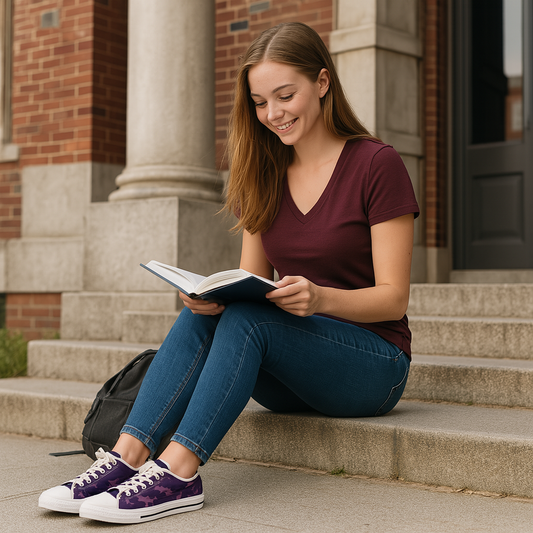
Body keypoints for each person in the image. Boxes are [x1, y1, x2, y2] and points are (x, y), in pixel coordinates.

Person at [38, 21, 419, 525]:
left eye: (286, 96)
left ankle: (179, 473)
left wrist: (320, 298)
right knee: (222, 314)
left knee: (249, 321)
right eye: (261, 103)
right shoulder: (264, 173)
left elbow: (394, 299)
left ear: (322, 83)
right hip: (290, 371)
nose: (273, 114)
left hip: (372, 365)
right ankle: (125, 457)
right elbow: (250, 283)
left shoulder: (376, 164)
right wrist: (210, 298)